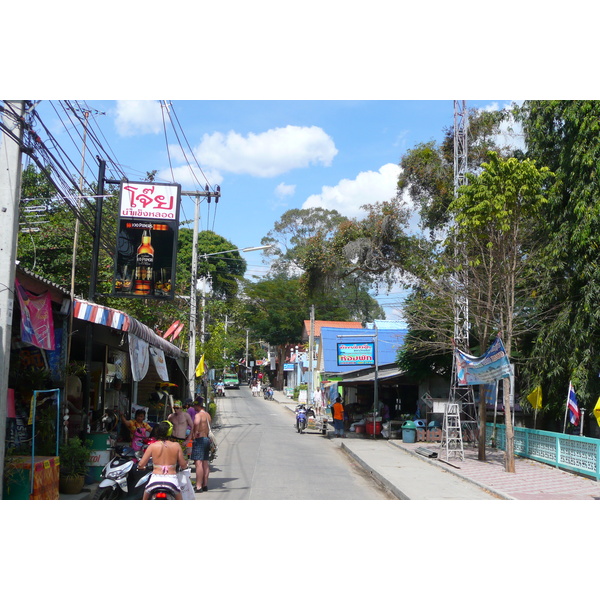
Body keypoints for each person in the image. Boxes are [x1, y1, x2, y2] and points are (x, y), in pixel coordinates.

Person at [137, 421, 188, 500]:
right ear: (170, 432)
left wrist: (141, 468)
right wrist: (185, 467)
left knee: (145, 497)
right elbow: (183, 464)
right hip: (172, 481)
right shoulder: (176, 445)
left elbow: (141, 464)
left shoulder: (152, 446)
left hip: (155, 480)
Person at [191, 401, 212, 493]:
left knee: (198, 463)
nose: (194, 407)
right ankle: (205, 484)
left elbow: (196, 423)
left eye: (195, 405)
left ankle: (198, 486)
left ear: (198, 405)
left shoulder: (198, 415)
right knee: (205, 463)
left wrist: (194, 433)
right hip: (207, 439)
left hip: (200, 439)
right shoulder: (208, 415)